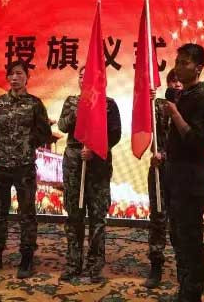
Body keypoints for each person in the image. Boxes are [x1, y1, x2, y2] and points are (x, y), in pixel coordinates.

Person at [0, 60, 51, 278]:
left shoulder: (35, 104)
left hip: (24, 166)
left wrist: (26, 144)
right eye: (11, 74)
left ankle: (27, 258)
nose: (15, 78)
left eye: (19, 73)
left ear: (27, 77)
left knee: (26, 214)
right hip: (0, 165)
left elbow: (44, 132)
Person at [57, 65, 122, 283]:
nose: (83, 80)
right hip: (74, 164)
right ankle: (73, 263)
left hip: (98, 166)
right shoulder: (71, 101)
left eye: (88, 77)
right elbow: (62, 126)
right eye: (81, 76)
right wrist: (79, 111)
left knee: (97, 218)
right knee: (74, 216)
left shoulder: (109, 104)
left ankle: (95, 266)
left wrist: (95, 148)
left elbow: (115, 134)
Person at [164, 43, 204, 302]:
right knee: (177, 237)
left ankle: (193, 293)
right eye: (177, 62)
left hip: (191, 181)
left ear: (198, 68)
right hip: (174, 178)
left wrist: (175, 114)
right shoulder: (180, 95)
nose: (178, 68)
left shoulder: (203, 99)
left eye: (184, 63)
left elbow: (196, 141)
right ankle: (184, 289)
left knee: (191, 240)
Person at [143, 69, 182, 289]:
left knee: (180, 221)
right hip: (159, 170)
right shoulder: (159, 105)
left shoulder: (192, 105)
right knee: (158, 218)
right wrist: (147, 100)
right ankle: (156, 264)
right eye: (173, 81)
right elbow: (147, 125)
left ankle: (183, 266)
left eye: (180, 81)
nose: (177, 84)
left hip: (182, 171)